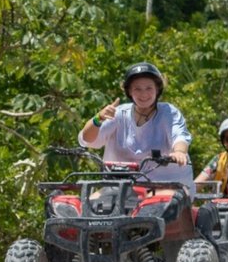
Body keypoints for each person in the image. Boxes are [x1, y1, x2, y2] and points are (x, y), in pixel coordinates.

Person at [78, 61, 194, 189]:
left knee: (155, 208)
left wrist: (179, 152)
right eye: (137, 89)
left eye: (149, 88)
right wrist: (98, 118)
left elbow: (180, 136)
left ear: (157, 90)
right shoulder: (118, 113)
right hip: (120, 187)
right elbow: (87, 140)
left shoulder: (169, 112)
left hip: (165, 185)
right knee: (89, 205)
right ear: (129, 92)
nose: (143, 94)